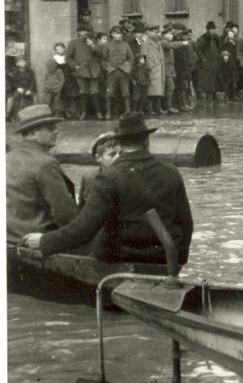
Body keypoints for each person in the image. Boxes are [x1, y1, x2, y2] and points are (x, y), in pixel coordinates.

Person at [23, 112, 194, 265]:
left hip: (123, 257)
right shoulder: (171, 172)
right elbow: (186, 224)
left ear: (119, 142)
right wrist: (180, 259)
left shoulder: (109, 177)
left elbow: (84, 228)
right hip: (164, 256)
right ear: (147, 141)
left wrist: (44, 241)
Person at [6, 105, 77, 246]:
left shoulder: (8, 157)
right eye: (50, 128)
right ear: (32, 134)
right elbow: (65, 214)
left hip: (11, 240)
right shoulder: (45, 163)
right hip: (38, 242)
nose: (56, 131)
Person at [65, 28, 103, 120]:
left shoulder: (93, 41)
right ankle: (83, 112)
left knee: (94, 91)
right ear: (78, 32)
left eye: (86, 31)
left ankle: (98, 112)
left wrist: (93, 46)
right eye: (82, 31)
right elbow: (68, 58)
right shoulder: (73, 43)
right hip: (81, 71)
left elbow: (101, 54)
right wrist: (75, 67)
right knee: (83, 91)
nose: (85, 33)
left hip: (94, 70)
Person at [78, 132, 118, 209]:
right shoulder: (89, 177)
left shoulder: (126, 175)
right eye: (112, 155)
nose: (117, 158)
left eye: (120, 154)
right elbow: (82, 207)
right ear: (98, 158)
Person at [103, 25, 134, 117]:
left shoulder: (126, 45)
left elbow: (131, 58)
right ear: (112, 34)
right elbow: (103, 59)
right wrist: (107, 68)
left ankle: (127, 111)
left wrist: (128, 67)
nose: (119, 35)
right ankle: (108, 112)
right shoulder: (107, 45)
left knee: (125, 91)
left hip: (123, 71)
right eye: (116, 33)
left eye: (120, 33)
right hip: (112, 71)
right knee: (110, 92)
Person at [6, 56, 37, 121]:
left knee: (31, 96)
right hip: (19, 89)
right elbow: (13, 82)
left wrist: (30, 90)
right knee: (16, 96)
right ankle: (14, 116)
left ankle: (28, 116)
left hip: (28, 89)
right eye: (20, 62)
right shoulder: (14, 72)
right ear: (16, 64)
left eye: (23, 61)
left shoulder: (30, 71)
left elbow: (32, 82)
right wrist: (18, 88)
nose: (22, 63)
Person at [39, 43, 66, 115]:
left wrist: (57, 87)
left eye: (53, 65)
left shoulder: (59, 71)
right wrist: (47, 87)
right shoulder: (47, 72)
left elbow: (62, 80)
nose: (51, 67)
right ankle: (46, 114)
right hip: (48, 89)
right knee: (46, 101)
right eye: (49, 65)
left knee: (57, 102)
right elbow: (44, 80)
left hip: (57, 89)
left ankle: (57, 114)